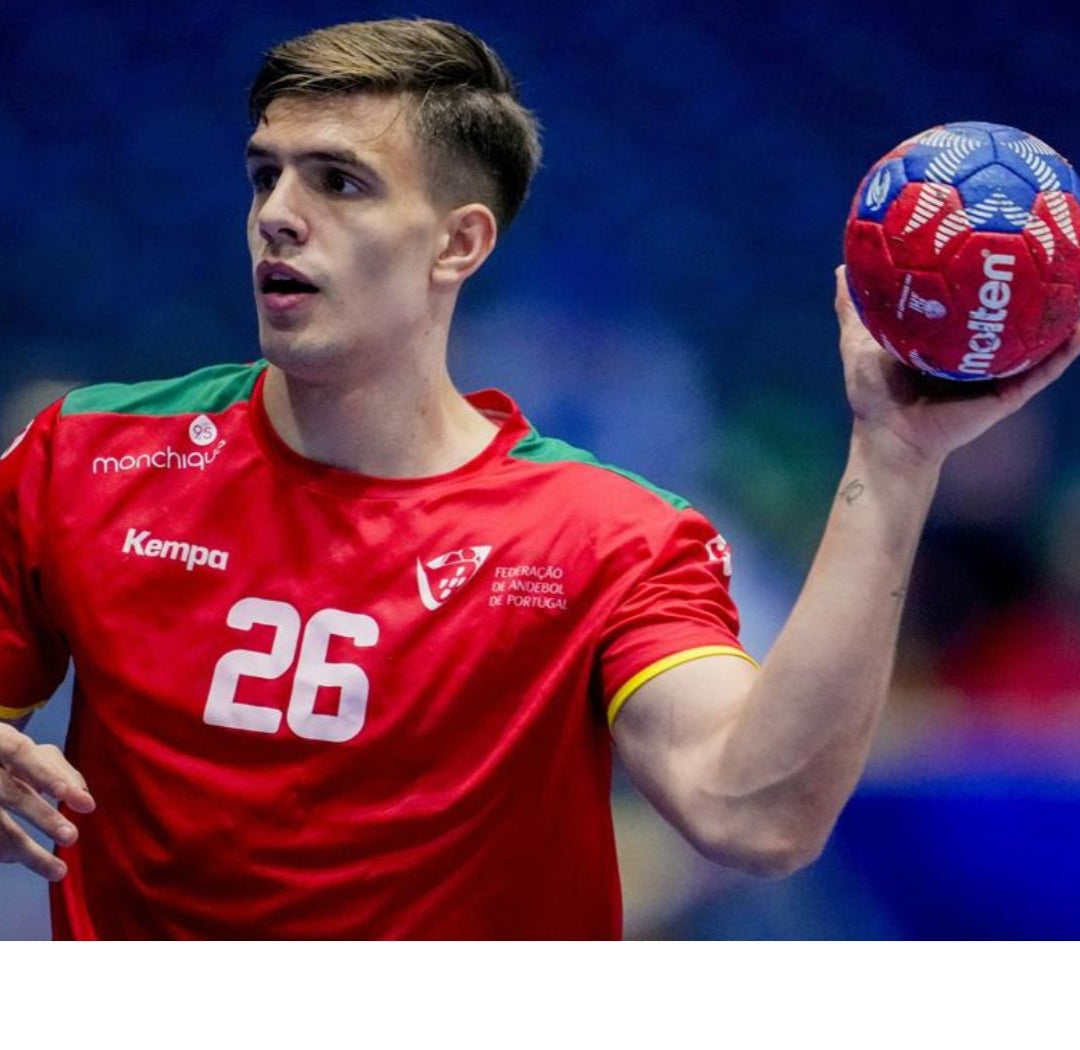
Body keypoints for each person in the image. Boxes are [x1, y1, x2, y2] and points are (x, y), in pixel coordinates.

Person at [0, 18, 1076, 940]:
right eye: (264, 174)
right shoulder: (82, 456)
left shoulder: (606, 541)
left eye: (337, 182)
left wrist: (893, 459)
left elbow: (755, 816)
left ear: (459, 244)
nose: (279, 211)